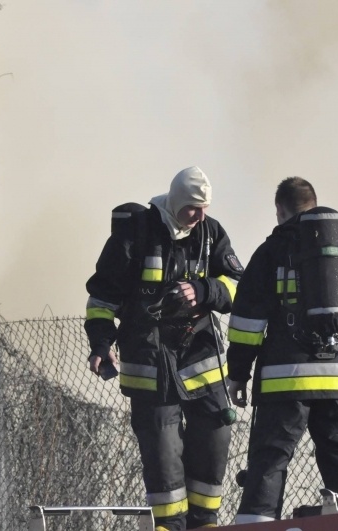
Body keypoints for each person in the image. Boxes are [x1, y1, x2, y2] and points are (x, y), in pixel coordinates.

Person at [84, 166, 244, 530]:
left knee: (215, 439)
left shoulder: (210, 233)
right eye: (192, 208)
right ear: (175, 202)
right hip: (150, 362)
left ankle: (205, 523)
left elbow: (239, 284)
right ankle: (169, 527)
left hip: (201, 358)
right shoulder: (135, 234)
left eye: (204, 208)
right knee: (163, 454)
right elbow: (102, 299)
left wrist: (203, 291)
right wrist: (101, 344)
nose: (200, 216)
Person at [226, 176, 338, 524]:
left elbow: (247, 321)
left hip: (284, 382)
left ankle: (257, 525)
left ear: (280, 210)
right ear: (314, 205)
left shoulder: (271, 252)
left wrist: (238, 373)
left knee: (270, 462)